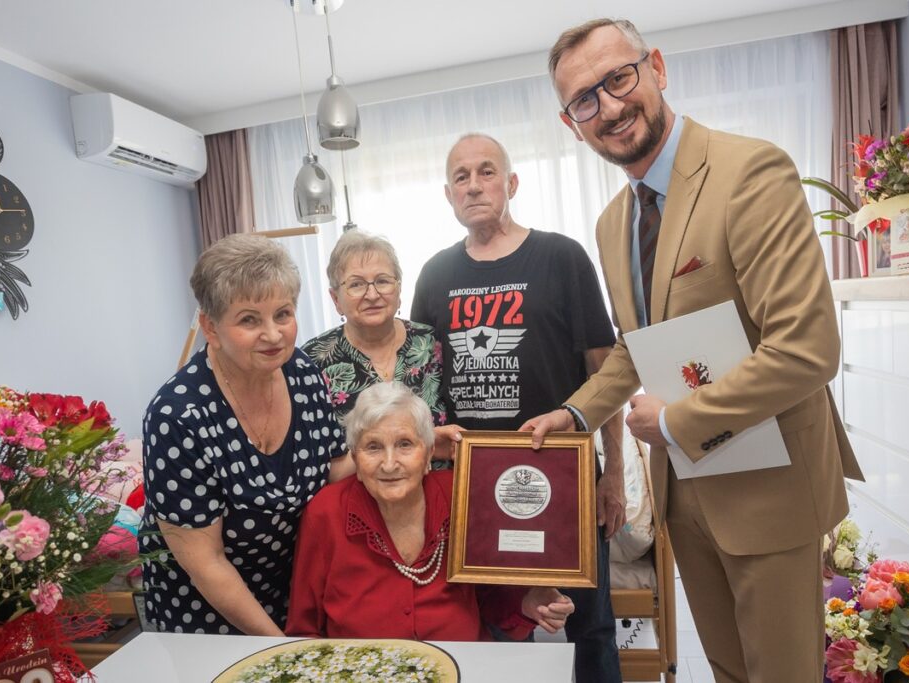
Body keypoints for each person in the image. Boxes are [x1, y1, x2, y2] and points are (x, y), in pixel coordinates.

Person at [524, 19, 864, 682]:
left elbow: (807, 347)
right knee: (730, 672)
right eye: (584, 100)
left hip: (770, 488)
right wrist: (575, 415)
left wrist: (675, 421)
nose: (610, 107)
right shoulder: (612, 221)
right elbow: (637, 343)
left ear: (656, 66)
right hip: (685, 493)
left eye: (618, 78)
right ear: (572, 125)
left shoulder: (749, 171)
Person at [411, 133, 623, 682]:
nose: (474, 185)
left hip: (568, 478)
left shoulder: (562, 257)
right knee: (495, 630)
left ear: (511, 183)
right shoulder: (435, 275)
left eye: (486, 171)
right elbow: (422, 381)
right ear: (448, 193)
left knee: (591, 628)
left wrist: (614, 474)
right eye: (461, 176)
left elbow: (607, 373)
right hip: (472, 485)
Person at [139, 234, 346, 635]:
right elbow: (206, 562)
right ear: (210, 327)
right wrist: (280, 646)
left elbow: (336, 467)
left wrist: (411, 449)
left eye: (283, 314)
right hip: (207, 612)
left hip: (292, 592)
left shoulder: (301, 373)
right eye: (249, 319)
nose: (273, 334)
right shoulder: (177, 416)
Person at [285, 382, 574, 640]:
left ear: (428, 455)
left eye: (404, 445)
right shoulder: (326, 513)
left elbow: (490, 600)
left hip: (463, 668)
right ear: (356, 460)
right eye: (373, 447)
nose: (389, 463)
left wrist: (528, 602)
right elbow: (304, 628)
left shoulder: (461, 496)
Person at [302, 231, 461, 471]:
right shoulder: (312, 360)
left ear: (398, 290)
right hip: (355, 500)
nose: (372, 294)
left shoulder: (432, 342)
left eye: (383, 281)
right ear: (336, 299)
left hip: (439, 494)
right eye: (356, 284)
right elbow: (316, 465)